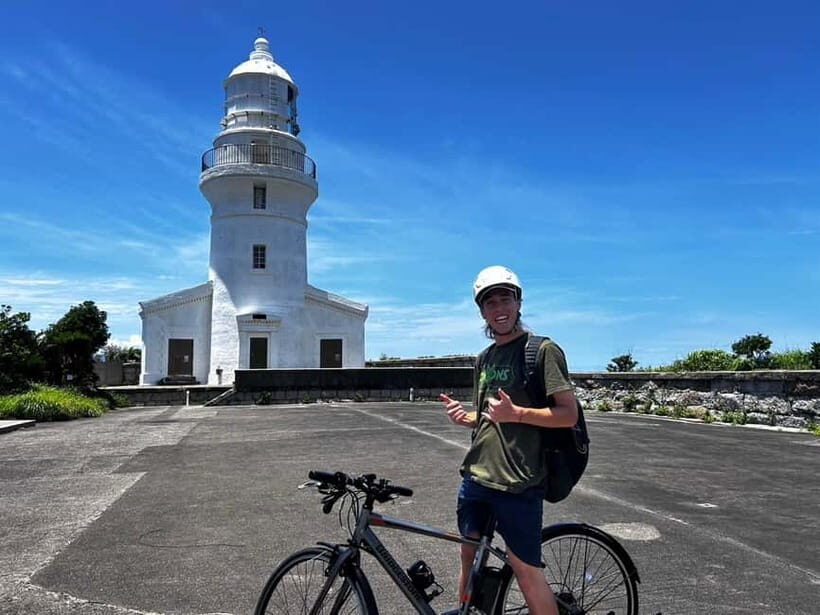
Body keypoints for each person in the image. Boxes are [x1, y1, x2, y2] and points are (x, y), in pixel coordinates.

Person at [440, 265, 578, 615]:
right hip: (476, 478)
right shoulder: (484, 359)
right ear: (481, 310)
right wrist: (467, 417)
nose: (499, 309)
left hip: (519, 483)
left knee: (526, 571)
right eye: (490, 303)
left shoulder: (542, 351)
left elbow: (567, 414)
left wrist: (517, 414)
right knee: (468, 559)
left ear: (518, 303)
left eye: (506, 299)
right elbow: (489, 415)